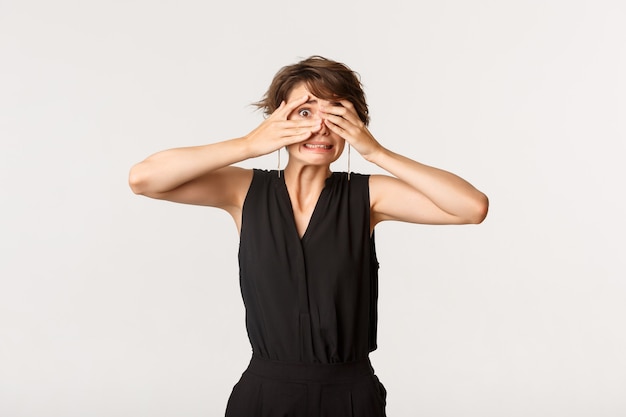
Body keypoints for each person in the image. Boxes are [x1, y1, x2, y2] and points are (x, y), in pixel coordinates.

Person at [128, 55, 488, 416]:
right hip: (264, 395)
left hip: (350, 396)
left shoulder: (368, 196)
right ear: (277, 118)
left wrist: (376, 152)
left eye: (336, 114)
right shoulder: (244, 191)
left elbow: (471, 207)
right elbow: (143, 179)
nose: (320, 127)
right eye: (305, 112)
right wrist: (249, 144)